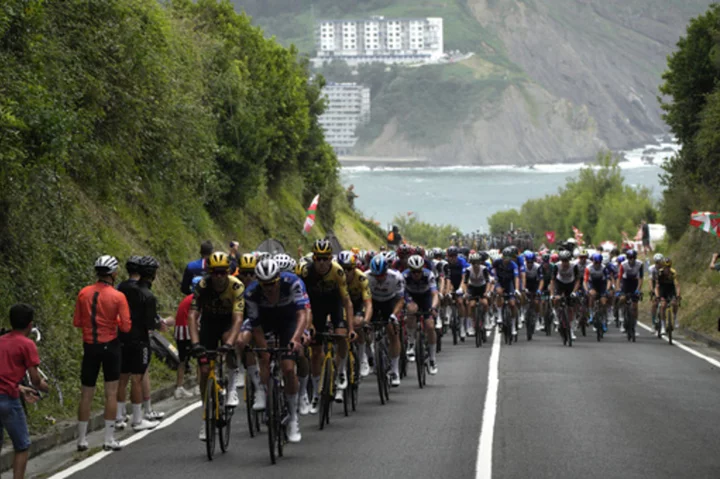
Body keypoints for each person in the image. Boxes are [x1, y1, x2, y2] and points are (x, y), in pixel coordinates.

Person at [245, 259, 308, 442]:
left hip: (289, 320)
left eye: (272, 284)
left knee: (288, 368)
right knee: (264, 358)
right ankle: (265, 395)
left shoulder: (293, 282)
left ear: (278, 279)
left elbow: (302, 314)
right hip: (266, 321)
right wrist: (264, 350)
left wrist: (296, 338)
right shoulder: (252, 293)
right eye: (264, 285)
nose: (269, 288)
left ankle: (293, 418)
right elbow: (256, 328)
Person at [74, 255, 131, 452]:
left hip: (89, 346)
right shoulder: (118, 296)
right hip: (111, 346)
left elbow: (77, 322)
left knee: (86, 393)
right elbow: (125, 326)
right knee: (111, 393)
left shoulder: (83, 293)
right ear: (114, 274)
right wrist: (112, 321)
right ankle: (108, 438)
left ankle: (81, 439)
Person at [188, 252, 244, 441]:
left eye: (222, 272)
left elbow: (238, 320)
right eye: (215, 273)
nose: (219, 277)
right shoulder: (202, 286)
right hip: (209, 324)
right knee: (204, 370)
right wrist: (195, 343)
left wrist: (229, 344)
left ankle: (233, 383)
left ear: (228, 272)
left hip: (228, 322)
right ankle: (206, 416)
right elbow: (193, 316)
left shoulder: (236, 286)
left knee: (230, 340)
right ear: (209, 273)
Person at [0, 304, 48, 479]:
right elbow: (35, 379)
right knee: (21, 444)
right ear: (30, 324)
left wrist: (20, 388)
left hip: (8, 391)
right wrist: (43, 386)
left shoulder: (1, 340)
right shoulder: (27, 344)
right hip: (9, 399)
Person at [116, 256, 163, 432]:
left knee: (122, 378)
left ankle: (120, 416)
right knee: (137, 378)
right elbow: (150, 324)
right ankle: (137, 419)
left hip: (121, 337)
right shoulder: (148, 296)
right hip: (140, 340)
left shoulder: (122, 289)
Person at [173, 276, 203, 399]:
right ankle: (199, 386)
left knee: (182, 360)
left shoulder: (187, 298)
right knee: (201, 357)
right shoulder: (196, 299)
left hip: (179, 330)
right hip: (188, 329)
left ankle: (179, 387)